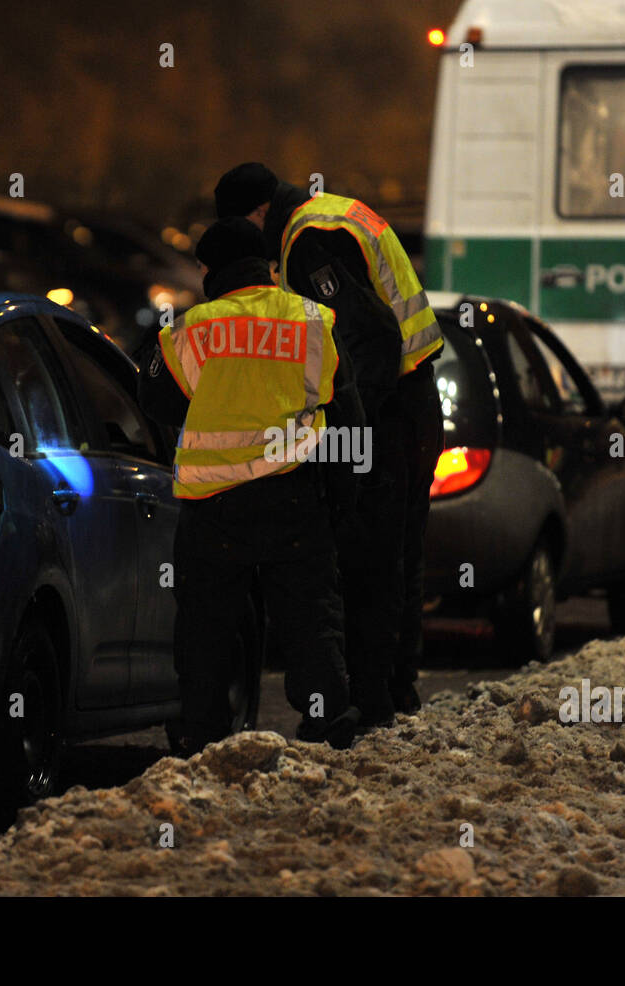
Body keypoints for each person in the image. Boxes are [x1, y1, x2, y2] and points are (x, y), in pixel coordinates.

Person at [214, 163, 444, 725]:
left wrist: (348, 422)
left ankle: (371, 704)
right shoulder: (335, 212)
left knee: (367, 558)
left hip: (386, 413)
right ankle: (396, 691)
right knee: (398, 556)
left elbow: (371, 337)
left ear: (260, 212)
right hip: (415, 400)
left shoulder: (308, 240)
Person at [138, 217, 361, 754]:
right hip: (294, 499)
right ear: (267, 267)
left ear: (212, 270)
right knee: (310, 622)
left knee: (206, 630)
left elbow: (155, 400)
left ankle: (203, 738)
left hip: (214, 508)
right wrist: (342, 497)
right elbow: (348, 412)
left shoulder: (194, 326)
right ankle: (327, 727)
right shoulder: (313, 320)